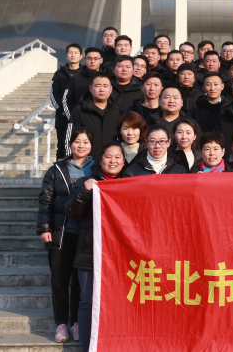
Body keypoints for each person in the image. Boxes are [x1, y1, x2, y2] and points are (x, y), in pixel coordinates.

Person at [63, 142, 126, 352]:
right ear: (100, 160)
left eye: (117, 157)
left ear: (124, 161)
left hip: (120, 254)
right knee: (87, 301)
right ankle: (86, 345)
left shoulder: (130, 183)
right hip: (89, 252)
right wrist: (84, 192)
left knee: (119, 301)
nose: (113, 161)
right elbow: (70, 210)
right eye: (108, 156)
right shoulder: (87, 182)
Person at [38, 128, 95, 344]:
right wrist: (44, 228)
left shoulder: (96, 168)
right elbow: (45, 201)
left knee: (81, 283)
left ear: (91, 145)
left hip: (86, 234)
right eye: (77, 141)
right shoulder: (56, 170)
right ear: (70, 144)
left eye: (85, 142)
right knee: (60, 280)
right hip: (61, 233)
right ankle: (61, 323)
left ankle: (77, 323)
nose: (81, 146)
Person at [65, 72, 123, 161]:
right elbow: (69, 138)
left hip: (111, 163)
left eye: (105, 86)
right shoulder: (79, 110)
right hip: (85, 163)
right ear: (90, 88)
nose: (102, 89)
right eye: (97, 86)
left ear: (111, 89)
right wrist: (72, 162)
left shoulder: (118, 111)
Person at [51, 43, 83, 159]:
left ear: (81, 56)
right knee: (62, 147)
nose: (72, 55)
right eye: (70, 53)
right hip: (63, 118)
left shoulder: (85, 73)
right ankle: (60, 168)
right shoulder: (59, 74)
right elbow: (54, 94)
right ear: (66, 56)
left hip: (82, 116)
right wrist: (63, 109)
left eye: (76, 53)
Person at [63, 47, 114, 120]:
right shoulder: (75, 79)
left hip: (104, 120)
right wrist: (73, 118)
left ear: (101, 60)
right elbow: (66, 100)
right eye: (89, 58)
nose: (92, 61)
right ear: (84, 60)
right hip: (80, 120)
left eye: (96, 59)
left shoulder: (108, 79)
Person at [122, 125, 188, 176]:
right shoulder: (133, 170)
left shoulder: (180, 170)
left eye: (162, 141)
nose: (157, 146)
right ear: (146, 143)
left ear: (169, 143)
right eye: (153, 141)